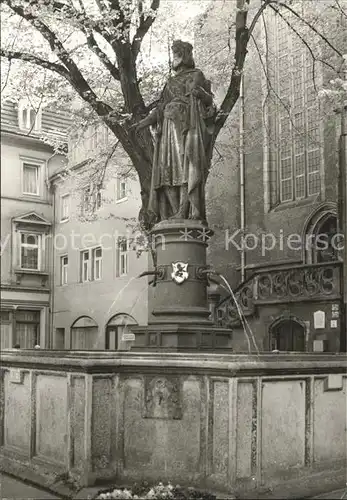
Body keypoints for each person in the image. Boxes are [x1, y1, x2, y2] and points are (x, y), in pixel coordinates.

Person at [131, 40, 215, 223]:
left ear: (184, 55)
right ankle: (174, 212)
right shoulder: (170, 82)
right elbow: (160, 108)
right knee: (165, 173)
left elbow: (209, 102)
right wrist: (143, 123)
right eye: (173, 54)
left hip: (186, 128)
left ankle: (184, 211)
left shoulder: (196, 75)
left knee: (185, 170)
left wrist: (200, 95)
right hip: (168, 131)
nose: (174, 59)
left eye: (176, 54)